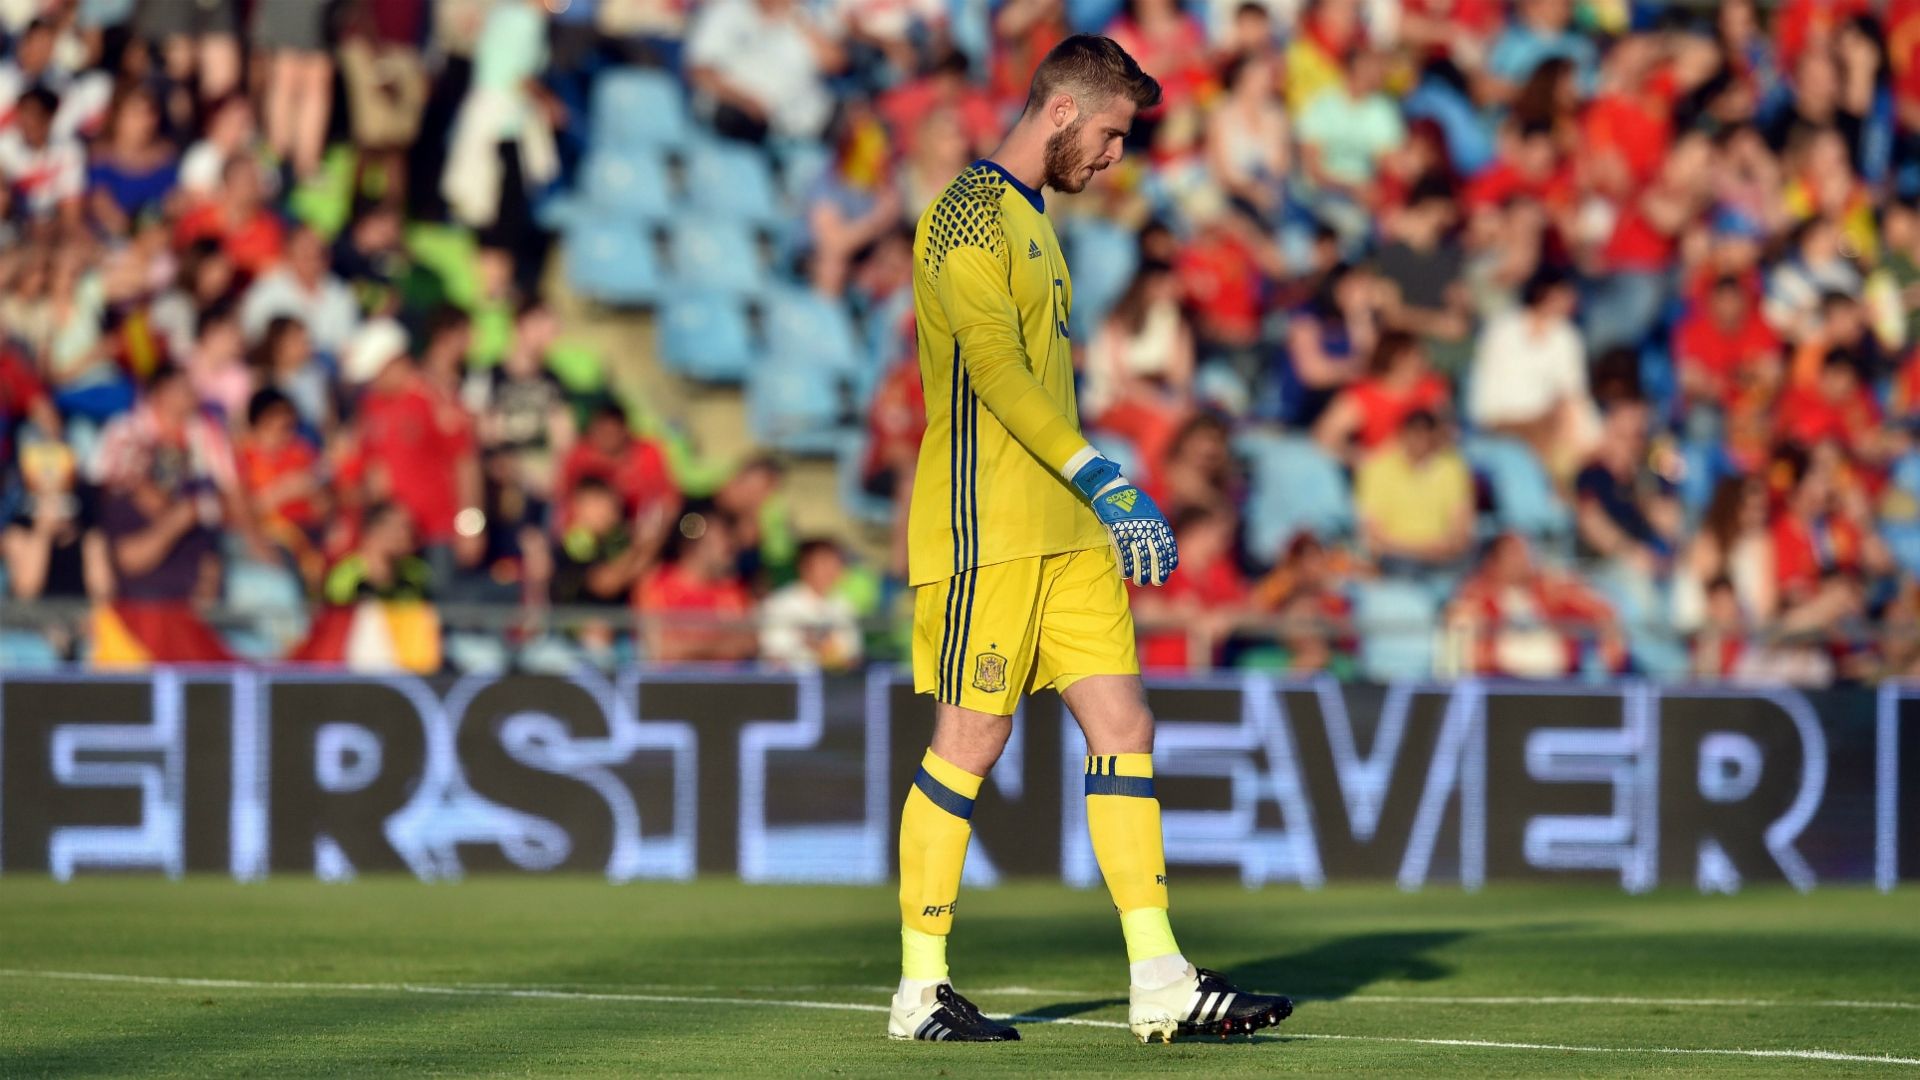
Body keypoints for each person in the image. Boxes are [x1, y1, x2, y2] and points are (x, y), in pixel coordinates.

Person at [890, 34, 1290, 1046]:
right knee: (970, 740)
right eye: (1112, 134)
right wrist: (1102, 471)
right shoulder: (963, 215)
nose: (1116, 158)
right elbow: (995, 372)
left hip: (1067, 538)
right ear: (1063, 113)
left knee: (1126, 726)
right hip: (990, 529)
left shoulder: (1034, 221)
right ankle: (920, 989)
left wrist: (1093, 498)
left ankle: (1159, 978)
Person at [1353, 409, 1475, 573]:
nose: (1419, 442)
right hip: (1397, 558)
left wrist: (1440, 549)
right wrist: (1422, 550)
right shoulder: (1377, 468)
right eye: (1415, 434)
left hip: (1443, 557)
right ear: (1402, 435)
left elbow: (1461, 531)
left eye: (1425, 436)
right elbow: (1373, 535)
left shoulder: (1452, 468)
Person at [759, 537, 864, 670]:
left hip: (834, 684)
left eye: (836, 563)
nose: (832, 570)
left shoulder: (844, 606)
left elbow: (852, 656)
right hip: (789, 684)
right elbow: (774, 655)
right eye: (825, 563)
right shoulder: (779, 604)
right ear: (804, 566)